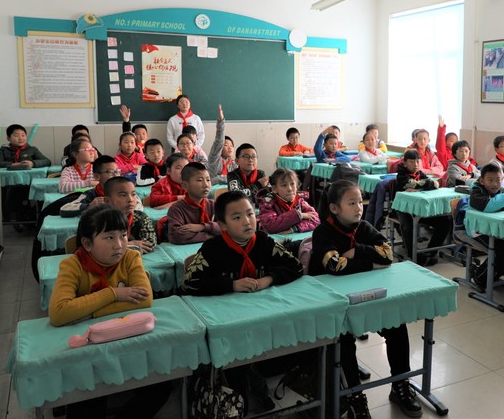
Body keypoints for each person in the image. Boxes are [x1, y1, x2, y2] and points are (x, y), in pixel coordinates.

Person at [181, 190, 303, 412]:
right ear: (222, 225)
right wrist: (232, 285)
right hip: (229, 325)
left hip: (264, 316)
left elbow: (295, 266)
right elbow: (190, 283)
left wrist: (268, 279)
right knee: (237, 384)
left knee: (299, 348)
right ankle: (241, 386)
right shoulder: (213, 249)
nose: (247, 221)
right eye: (237, 217)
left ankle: (257, 374)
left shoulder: (264, 241)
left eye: (250, 214)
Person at [309, 180, 423, 419]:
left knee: (396, 325)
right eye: (351, 203)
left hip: (365, 295)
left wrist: (358, 251)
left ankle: (400, 384)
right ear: (334, 208)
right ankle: (354, 396)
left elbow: (388, 255)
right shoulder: (322, 232)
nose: (359, 207)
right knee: (343, 340)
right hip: (334, 303)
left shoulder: (363, 227)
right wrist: (371, 263)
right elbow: (335, 266)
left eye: (360, 201)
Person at [48, 204, 166, 419]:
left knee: (162, 385)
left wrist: (87, 312)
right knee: (88, 391)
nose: (119, 245)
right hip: (89, 349)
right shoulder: (73, 265)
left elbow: (145, 299)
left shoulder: (130, 257)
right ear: (87, 243)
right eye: (109, 238)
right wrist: (113, 294)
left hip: (126, 341)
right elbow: (59, 313)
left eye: (123, 236)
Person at [468, 164, 504, 284]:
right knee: (501, 251)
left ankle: (494, 274)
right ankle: (480, 277)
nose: (495, 184)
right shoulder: (476, 192)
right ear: (482, 181)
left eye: (498, 180)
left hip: (496, 229)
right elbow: (488, 206)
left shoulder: (501, 190)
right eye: (490, 180)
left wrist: (502, 204)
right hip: (477, 230)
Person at [394, 149, 452, 266]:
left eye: (417, 161)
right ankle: (412, 254)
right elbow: (411, 183)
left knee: (445, 222)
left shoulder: (419, 173)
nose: (415, 164)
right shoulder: (401, 175)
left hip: (420, 210)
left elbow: (434, 184)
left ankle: (430, 252)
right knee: (408, 225)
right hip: (403, 210)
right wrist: (424, 185)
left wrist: (420, 186)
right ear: (405, 163)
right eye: (411, 162)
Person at [166, 162, 219, 244]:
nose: (206, 185)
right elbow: (176, 236)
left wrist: (203, 227)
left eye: (208, 180)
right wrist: (213, 235)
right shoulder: (177, 209)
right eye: (200, 180)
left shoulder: (214, 205)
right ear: (185, 185)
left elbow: (228, 227)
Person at [258, 168, 319, 234]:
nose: (289, 189)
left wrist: (294, 229)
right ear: (274, 189)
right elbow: (269, 226)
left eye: (292, 184)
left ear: (297, 186)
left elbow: (316, 220)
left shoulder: (300, 201)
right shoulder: (267, 204)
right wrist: (300, 215)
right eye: (284, 185)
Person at [104, 177, 157, 254]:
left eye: (133, 194)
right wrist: (130, 245)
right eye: (123, 195)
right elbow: (99, 247)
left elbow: (150, 243)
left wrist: (120, 247)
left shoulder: (140, 217)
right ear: (107, 201)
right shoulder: (100, 220)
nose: (130, 199)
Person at [206, 103, 238, 184]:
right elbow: (219, 140)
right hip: (212, 190)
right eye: (226, 145)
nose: (230, 148)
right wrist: (221, 122)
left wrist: (218, 178)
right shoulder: (214, 158)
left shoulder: (234, 164)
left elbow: (237, 179)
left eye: (232, 146)